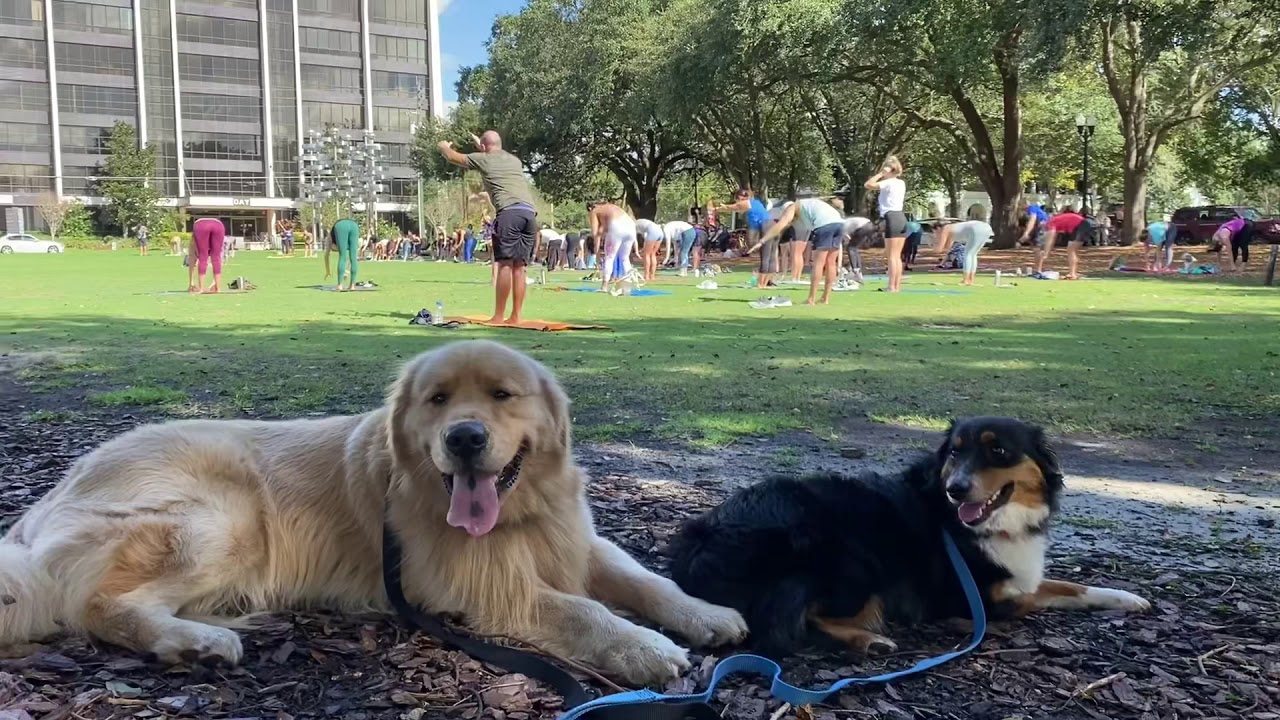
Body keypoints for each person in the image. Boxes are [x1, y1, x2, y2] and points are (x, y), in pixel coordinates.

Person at [439, 131, 538, 325]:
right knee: (520, 267)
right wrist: (482, 146)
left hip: (509, 214)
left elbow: (452, 156)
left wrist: (443, 145)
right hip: (529, 214)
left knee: (504, 265)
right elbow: (494, 152)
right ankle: (516, 316)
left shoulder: (483, 159)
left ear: (483, 147)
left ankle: (499, 317)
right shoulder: (514, 160)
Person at [753, 196, 846, 305]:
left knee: (818, 263)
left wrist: (762, 241)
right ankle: (825, 299)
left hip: (824, 226)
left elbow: (780, 225)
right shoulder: (807, 205)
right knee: (831, 263)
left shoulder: (792, 207)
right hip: (840, 224)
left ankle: (811, 299)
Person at [864, 157, 908, 292]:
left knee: (892, 256)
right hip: (901, 217)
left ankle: (891, 286)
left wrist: (881, 174)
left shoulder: (889, 182)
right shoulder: (901, 183)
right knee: (897, 256)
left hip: (892, 217)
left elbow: (868, 184)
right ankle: (896, 286)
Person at [935, 207, 995, 286]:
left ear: (938, 228)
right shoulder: (952, 229)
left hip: (976, 228)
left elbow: (939, 249)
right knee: (973, 254)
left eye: (935, 232)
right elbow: (947, 248)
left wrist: (933, 244)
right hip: (986, 228)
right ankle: (971, 279)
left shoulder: (945, 229)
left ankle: (966, 280)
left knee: (968, 254)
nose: (936, 234)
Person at [588, 201, 637, 294]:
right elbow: (602, 230)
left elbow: (595, 234)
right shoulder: (610, 207)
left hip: (617, 225)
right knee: (625, 258)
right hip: (631, 225)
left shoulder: (594, 211)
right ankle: (627, 288)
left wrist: (596, 253)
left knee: (609, 257)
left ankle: (604, 286)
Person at [715, 188, 770, 263]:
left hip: (764, 224)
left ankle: (759, 260)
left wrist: (719, 208)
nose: (736, 202)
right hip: (760, 224)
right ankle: (758, 259)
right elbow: (736, 209)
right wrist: (722, 208)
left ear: (741, 198)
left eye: (736, 200)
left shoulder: (747, 202)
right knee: (753, 242)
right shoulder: (754, 203)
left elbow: (731, 207)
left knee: (754, 242)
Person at [1035, 208, 1091, 279]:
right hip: (1079, 226)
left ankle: (1073, 274)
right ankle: (1073, 273)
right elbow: (1052, 238)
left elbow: (1050, 240)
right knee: (1071, 250)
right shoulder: (1054, 220)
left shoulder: (1050, 223)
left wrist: (1046, 253)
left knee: (1071, 249)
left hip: (1081, 225)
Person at [324, 217, 360, 291]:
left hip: (341, 226)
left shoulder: (329, 239)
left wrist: (328, 271)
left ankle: (340, 285)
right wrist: (347, 271)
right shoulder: (334, 238)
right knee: (353, 258)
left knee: (342, 256)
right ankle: (352, 285)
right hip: (354, 225)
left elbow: (326, 255)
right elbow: (353, 258)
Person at [190, 218, 225, 293]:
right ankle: (218, 288)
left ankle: (201, 289)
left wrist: (191, 282)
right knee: (216, 258)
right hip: (218, 225)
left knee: (202, 257)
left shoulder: (196, 226)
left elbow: (192, 257)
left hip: (201, 225)